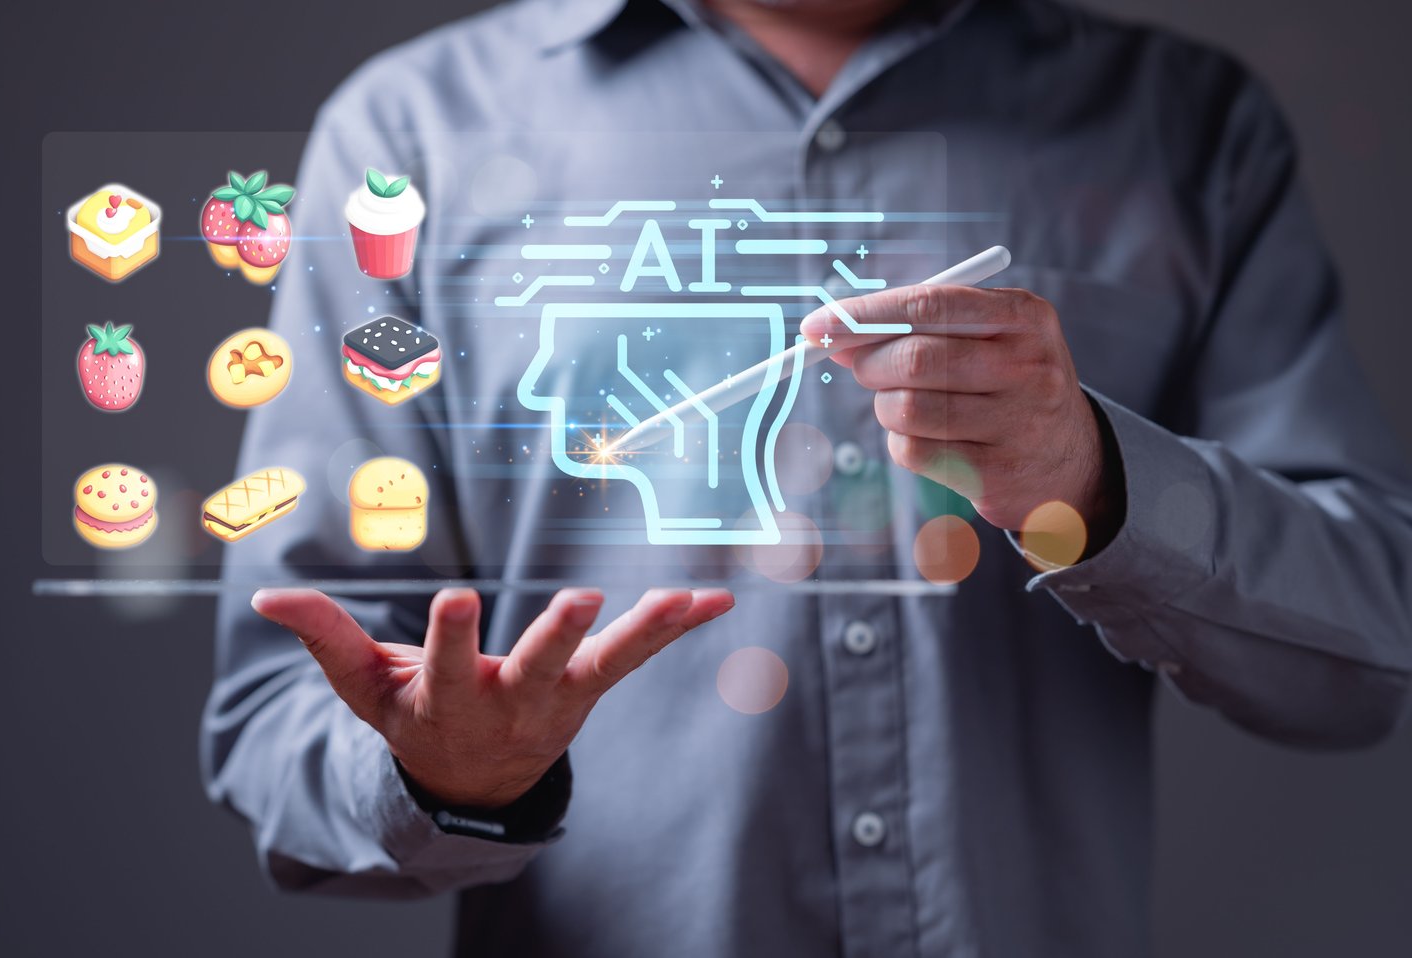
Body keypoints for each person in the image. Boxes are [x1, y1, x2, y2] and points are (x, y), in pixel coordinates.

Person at [202, 1, 1412, 955]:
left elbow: (1363, 652)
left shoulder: (1182, 124)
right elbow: (275, 722)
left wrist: (1093, 481)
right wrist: (441, 771)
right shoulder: (413, 137)